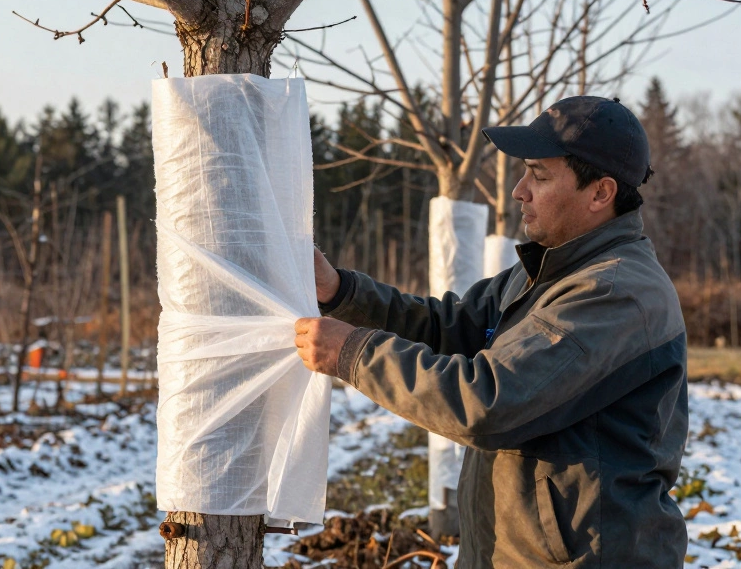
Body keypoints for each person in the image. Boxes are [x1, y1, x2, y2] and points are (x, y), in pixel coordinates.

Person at [295, 96, 688, 568]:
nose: (519, 190)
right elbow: (447, 327)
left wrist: (354, 354)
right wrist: (341, 293)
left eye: (539, 175)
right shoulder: (548, 268)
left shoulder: (615, 293)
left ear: (600, 194)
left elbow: (489, 402)